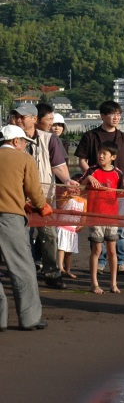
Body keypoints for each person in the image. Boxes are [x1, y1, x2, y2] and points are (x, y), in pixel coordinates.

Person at [9, 102, 77, 289]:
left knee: (49, 235)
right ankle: (24, 273)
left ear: (34, 119)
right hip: (16, 197)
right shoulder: (9, 139)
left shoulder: (49, 139)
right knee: (20, 236)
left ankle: (52, 273)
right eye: (16, 116)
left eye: (23, 116)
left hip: (43, 196)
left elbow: (58, 165)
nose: (18, 120)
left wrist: (67, 181)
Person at [74, 101, 124, 275]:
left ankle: (121, 261)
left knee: (119, 228)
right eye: (112, 114)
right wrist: (90, 175)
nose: (116, 117)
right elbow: (81, 159)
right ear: (102, 116)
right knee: (97, 227)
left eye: (118, 114)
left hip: (118, 192)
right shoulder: (91, 136)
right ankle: (100, 261)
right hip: (95, 192)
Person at [0, 124, 53, 330]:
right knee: (22, 268)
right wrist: (41, 206)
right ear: (15, 142)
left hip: (9, 211)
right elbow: (33, 189)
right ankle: (29, 318)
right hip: (10, 219)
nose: (25, 146)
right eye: (23, 143)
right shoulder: (24, 159)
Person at [81, 143, 124, 294]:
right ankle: (94, 284)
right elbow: (79, 187)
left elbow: (122, 192)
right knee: (97, 249)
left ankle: (113, 283)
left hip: (111, 216)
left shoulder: (118, 173)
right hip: (94, 215)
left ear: (113, 157)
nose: (101, 156)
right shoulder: (92, 170)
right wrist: (88, 179)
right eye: (99, 153)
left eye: (104, 154)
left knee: (112, 250)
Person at [55, 184, 86, 279]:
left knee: (69, 251)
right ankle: (60, 267)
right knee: (61, 247)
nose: (76, 190)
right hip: (62, 225)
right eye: (74, 188)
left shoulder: (84, 201)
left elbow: (84, 215)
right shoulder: (66, 194)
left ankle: (67, 270)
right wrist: (68, 196)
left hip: (73, 228)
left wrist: (82, 224)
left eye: (78, 188)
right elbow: (60, 206)